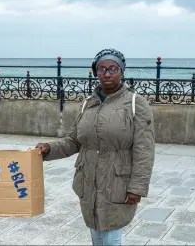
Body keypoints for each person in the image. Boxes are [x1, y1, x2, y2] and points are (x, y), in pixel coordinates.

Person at [36, 48, 155, 245]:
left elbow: (145, 149)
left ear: (122, 71)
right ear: (95, 72)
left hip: (117, 182)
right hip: (89, 181)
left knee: (110, 237)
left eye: (113, 68)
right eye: (102, 69)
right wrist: (49, 149)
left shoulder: (136, 104)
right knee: (97, 235)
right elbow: (74, 141)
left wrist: (137, 187)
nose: (107, 74)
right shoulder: (88, 104)